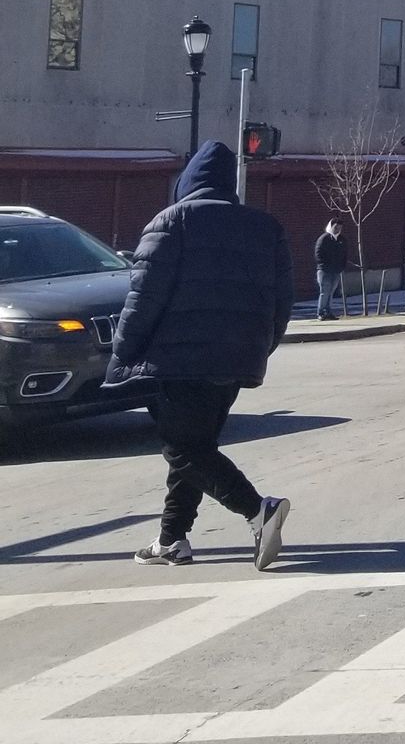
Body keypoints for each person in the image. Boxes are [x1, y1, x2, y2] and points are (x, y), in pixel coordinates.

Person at [108, 140, 295, 570]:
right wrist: (260, 347)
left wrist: (123, 354)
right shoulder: (265, 228)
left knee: (184, 450)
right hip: (235, 360)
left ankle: (258, 509)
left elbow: (142, 300)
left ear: (187, 182)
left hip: (178, 361)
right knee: (196, 447)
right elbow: (282, 302)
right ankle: (172, 540)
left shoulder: (171, 222)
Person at [314, 217, 347, 321]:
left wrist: (341, 266)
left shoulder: (341, 239)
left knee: (331, 292)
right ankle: (321, 312)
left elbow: (345, 254)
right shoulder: (324, 238)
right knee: (324, 292)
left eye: (340, 228)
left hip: (336, 270)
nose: (338, 229)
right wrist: (324, 264)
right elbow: (318, 253)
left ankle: (328, 312)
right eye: (336, 227)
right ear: (331, 226)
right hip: (324, 270)